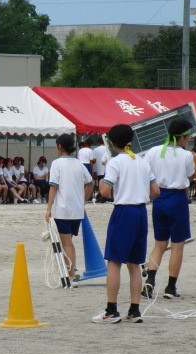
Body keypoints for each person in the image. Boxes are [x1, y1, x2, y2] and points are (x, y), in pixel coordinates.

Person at [92, 124, 159, 324]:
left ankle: (111, 310)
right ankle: (135, 310)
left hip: (123, 211)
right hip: (141, 212)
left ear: (112, 143)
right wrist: (139, 194)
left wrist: (105, 185)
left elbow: (105, 191)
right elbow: (155, 191)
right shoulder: (142, 161)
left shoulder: (115, 162)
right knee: (134, 263)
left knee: (114, 261)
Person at [143, 118, 196, 299]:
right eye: (187, 137)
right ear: (182, 137)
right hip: (177, 199)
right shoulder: (185, 155)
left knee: (159, 244)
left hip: (159, 198)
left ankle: (150, 281)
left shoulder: (153, 151)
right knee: (177, 246)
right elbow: (191, 175)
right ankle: (170, 287)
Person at [45, 134, 94, 283]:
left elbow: (53, 187)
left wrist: (48, 208)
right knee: (68, 241)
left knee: (66, 243)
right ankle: (71, 269)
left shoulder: (57, 163)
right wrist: (83, 201)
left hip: (63, 209)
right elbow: (91, 183)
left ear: (59, 146)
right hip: (77, 210)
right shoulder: (79, 164)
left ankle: (71, 273)